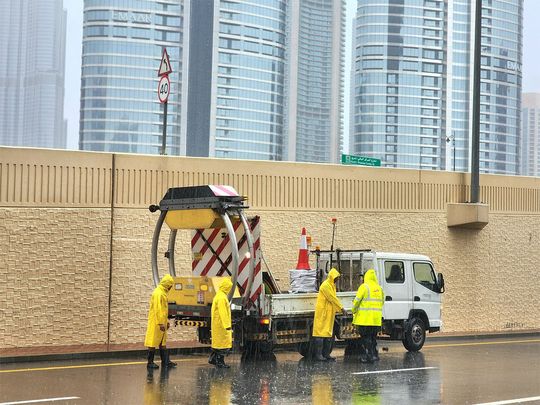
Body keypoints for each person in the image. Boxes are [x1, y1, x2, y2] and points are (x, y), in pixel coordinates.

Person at [312, 268, 347, 361]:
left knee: (327, 334)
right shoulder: (325, 286)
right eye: (336, 278)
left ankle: (326, 354)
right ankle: (319, 355)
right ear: (332, 277)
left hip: (328, 313)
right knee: (320, 334)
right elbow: (332, 298)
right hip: (323, 313)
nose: (337, 280)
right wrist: (341, 308)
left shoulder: (331, 285)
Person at [144, 274, 177, 369]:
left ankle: (166, 361)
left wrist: (166, 321)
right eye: (170, 285)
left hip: (161, 322)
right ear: (167, 284)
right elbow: (158, 309)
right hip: (156, 322)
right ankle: (150, 363)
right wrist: (160, 323)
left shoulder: (162, 292)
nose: (171, 287)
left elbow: (163, 310)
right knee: (153, 342)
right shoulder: (158, 293)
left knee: (162, 342)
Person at [351, 269, 384, 363]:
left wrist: (353, 310)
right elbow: (382, 302)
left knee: (366, 338)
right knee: (373, 337)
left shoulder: (364, 287)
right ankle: (374, 355)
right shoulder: (380, 288)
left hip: (365, 319)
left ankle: (368, 356)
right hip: (376, 320)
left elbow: (357, 300)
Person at [209, 278, 233, 368]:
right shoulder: (222, 298)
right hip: (221, 325)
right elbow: (223, 313)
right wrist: (227, 325)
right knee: (222, 344)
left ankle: (214, 359)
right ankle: (220, 362)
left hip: (218, 324)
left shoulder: (218, 295)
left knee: (218, 344)